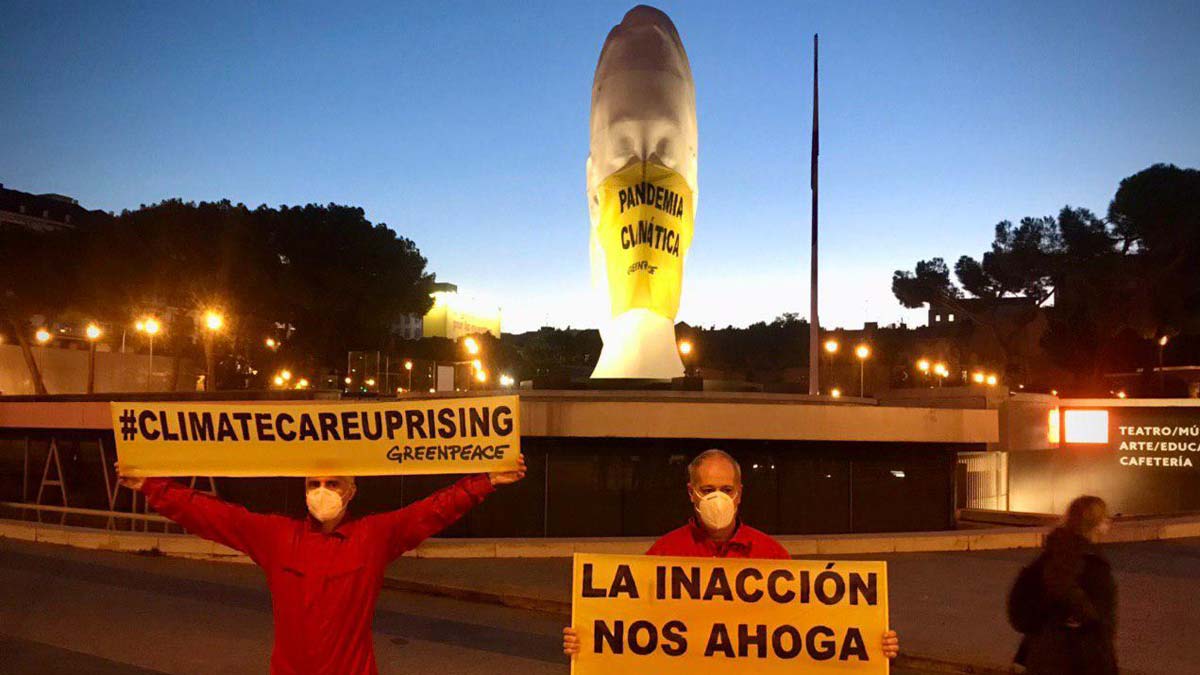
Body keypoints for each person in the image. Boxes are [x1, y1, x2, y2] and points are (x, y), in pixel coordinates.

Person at [118, 456, 526, 675]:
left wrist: (486, 479)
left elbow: (432, 511)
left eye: (332, 484)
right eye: (313, 484)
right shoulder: (277, 537)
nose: (322, 491)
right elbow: (211, 514)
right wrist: (152, 486)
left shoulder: (374, 535)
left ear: (352, 491)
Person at [562, 448, 900, 659]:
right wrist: (588, 641)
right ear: (691, 493)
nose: (718, 497)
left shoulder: (772, 555)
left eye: (726, 489)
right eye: (708, 490)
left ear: (740, 494)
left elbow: (810, 629)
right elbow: (628, 626)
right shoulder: (663, 554)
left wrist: (872, 642)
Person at [1010, 495, 1117, 675]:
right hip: (1076, 659)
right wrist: (1088, 615)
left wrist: (1022, 656)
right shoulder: (1089, 562)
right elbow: (1100, 625)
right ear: (1096, 523)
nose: (1109, 523)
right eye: (1106, 518)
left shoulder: (1051, 554)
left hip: (1044, 656)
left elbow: (1041, 608)